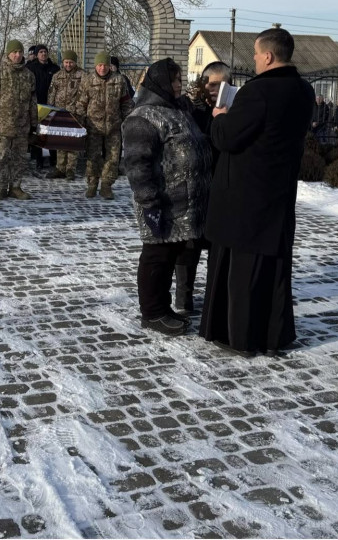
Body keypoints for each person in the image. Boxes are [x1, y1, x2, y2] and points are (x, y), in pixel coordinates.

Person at [199, 28, 314, 357]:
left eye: (254, 54)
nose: (253, 60)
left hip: (245, 194)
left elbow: (227, 138)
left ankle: (241, 337)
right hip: (280, 189)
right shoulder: (304, 90)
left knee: (242, 270)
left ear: (268, 56)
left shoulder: (257, 91)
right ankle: (273, 336)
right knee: (273, 268)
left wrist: (219, 117)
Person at [123, 59, 212, 335]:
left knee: (170, 255)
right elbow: (137, 165)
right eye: (173, 80)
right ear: (159, 82)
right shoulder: (142, 117)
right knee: (156, 255)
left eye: (179, 80)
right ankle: (152, 313)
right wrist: (149, 202)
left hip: (183, 203)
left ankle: (163, 308)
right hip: (160, 202)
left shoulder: (177, 110)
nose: (178, 85)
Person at [174, 60, 231, 314]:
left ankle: (214, 297)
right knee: (189, 245)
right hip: (193, 185)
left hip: (222, 185)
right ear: (203, 84)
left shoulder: (234, 109)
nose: (216, 90)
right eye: (212, 84)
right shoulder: (190, 109)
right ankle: (183, 298)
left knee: (218, 245)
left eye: (222, 84)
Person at [0, 40, 38, 200]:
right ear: (8, 53)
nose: (17, 55)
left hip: (22, 125)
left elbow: (33, 101)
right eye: (14, 52)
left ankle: (16, 187)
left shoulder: (29, 75)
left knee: (19, 159)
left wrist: (34, 123)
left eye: (20, 52)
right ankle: (1, 188)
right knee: (1, 158)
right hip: (1, 125)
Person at [74, 51, 133, 199]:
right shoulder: (88, 80)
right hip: (93, 126)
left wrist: (128, 120)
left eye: (105, 65)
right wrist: (80, 122)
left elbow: (126, 103)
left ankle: (106, 186)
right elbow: (81, 104)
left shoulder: (119, 80)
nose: (102, 68)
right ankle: (92, 185)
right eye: (100, 65)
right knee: (93, 157)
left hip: (114, 126)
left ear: (109, 66)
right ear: (96, 66)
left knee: (113, 158)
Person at [45, 49, 85, 180]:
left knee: (72, 142)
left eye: (71, 62)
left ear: (75, 62)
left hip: (75, 113)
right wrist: (51, 110)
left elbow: (86, 94)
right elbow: (51, 93)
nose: (68, 65)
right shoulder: (57, 76)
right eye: (66, 62)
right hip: (60, 113)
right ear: (63, 62)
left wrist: (80, 110)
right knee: (60, 142)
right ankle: (60, 168)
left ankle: (70, 170)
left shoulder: (82, 75)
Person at [27, 44, 60, 170]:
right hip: (36, 105)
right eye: (41, 52)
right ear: (36, 54)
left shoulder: (55, 68)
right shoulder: (31, 68)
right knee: (38, 132)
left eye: (45, 51)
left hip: (51, 105)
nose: (43, 54)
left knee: (51, 133)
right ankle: (39, 159)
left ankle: (53, 158)